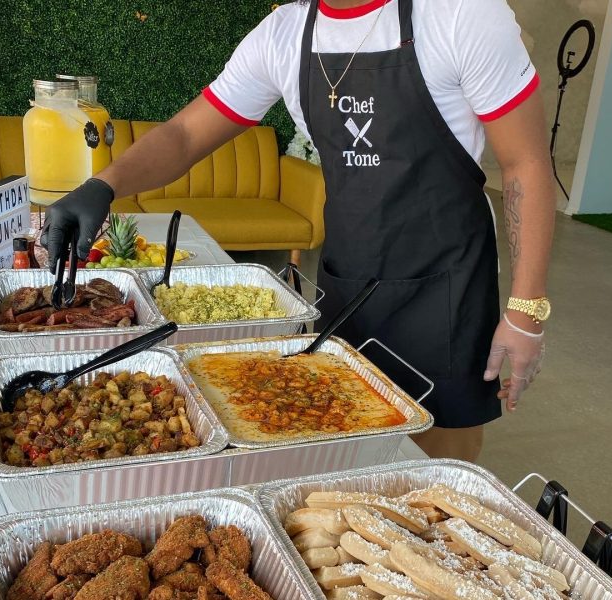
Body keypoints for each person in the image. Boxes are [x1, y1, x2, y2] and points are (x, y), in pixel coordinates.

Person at [41, 0, 555, 462]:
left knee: (438, 463)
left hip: (447, 291)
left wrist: (527, 310)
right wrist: (105, 184)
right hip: (349, 280)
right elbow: (182, 135)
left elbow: (526, 165)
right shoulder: (284, 33)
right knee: (337, 441)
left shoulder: (460, 14)